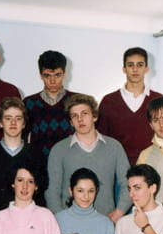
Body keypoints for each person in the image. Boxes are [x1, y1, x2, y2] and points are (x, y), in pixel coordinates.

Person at [46, 93, 130, 222]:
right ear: (71, 122)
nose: (80, 119)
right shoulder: (59, 150)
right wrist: (61, 219)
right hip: (70, 224)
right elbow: (52, 191)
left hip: (106, 221)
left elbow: (128, 184)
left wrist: (118, 213)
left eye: (84, 113)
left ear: (94, 116)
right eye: (75, 116)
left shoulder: (114, 147)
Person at [97, 47, 163, 164]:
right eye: (130, 65)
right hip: (117, 166)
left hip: (152, 165)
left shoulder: (159, 100)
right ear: (124, 69)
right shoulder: (108, 101)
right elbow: (100, 139)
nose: (135, 69)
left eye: (140, 65)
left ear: (146, 69)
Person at [0, 97, 46, 216]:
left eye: (18, 118)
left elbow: (40, 194)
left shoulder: (36, 154)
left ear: (24, 123)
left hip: (28, 218)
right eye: (8, 118)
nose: (13, 123)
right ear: (0, 123)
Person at [24, 50, 80, 168]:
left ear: (64, 74)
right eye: (47, 75)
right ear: (40, 75)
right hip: (39, 166)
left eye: (57, 75)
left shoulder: (76, 101)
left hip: (71, 164)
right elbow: (22, 139)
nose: (53, 81)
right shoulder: (29, 103)